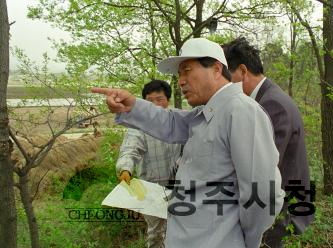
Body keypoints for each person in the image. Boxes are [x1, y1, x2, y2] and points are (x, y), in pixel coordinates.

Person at [92, 38, 284, 248]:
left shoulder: (241, 112)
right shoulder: (207, 112)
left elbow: (263, 194)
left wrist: (247, 240)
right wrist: (132, 106)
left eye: (187, 70)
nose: (181, 81)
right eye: (179, 74)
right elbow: (170, 122)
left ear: (216, 69)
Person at [223, 37, 314, 247]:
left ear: (243, 71)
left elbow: (260, 169)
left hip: (281, 215)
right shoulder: (267, 98)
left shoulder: (271, 104)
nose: (226, 87)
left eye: (228, 78)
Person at [116, 80, 181, 248]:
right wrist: (125, 168)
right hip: (152, 188)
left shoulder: (178, 120)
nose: (155, 104)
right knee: (155, 233)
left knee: (180, 230)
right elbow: (130, 149)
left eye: (159, 99)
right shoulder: (139, 126)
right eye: (150, 100)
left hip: (180, 188)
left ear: (168, 100)